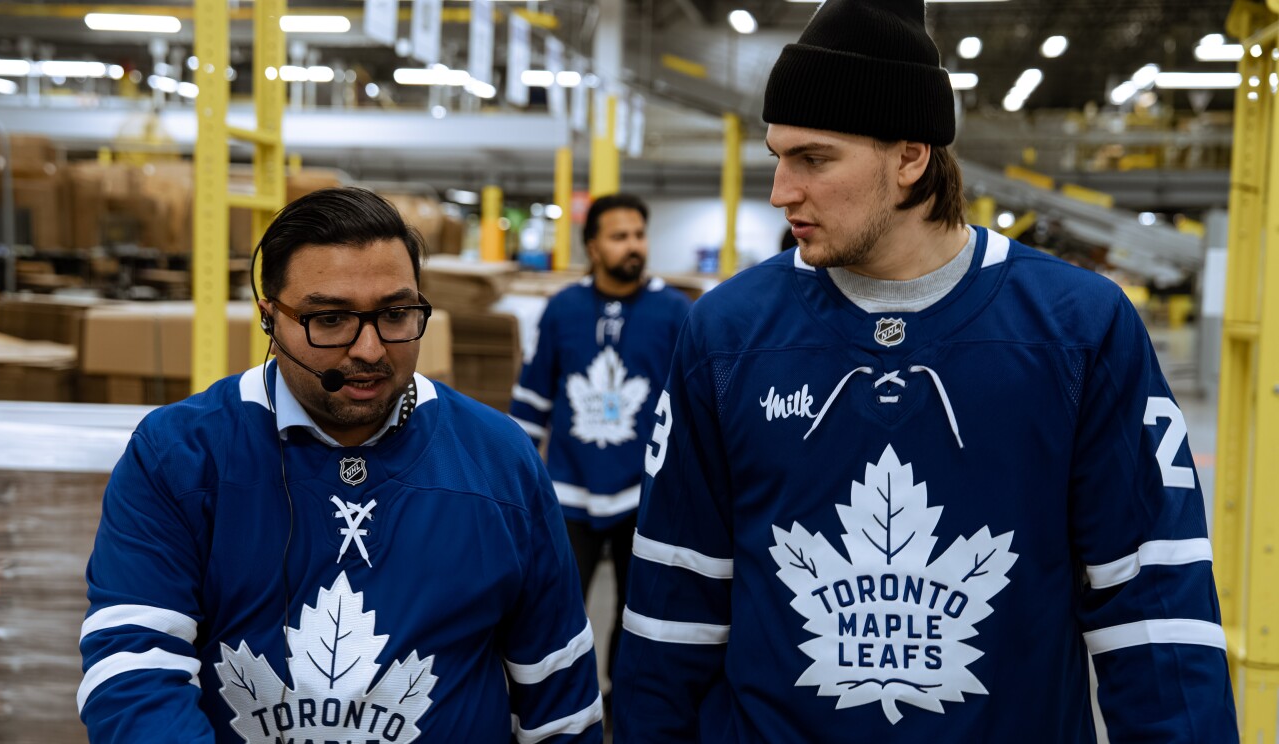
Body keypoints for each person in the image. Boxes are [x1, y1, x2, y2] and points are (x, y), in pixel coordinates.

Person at [611, 1, 1238, 742]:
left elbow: (1155, 612)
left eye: (813, 159)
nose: (781, 191)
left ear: (911, 158)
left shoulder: (1077, 330)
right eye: (777, 156)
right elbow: (671, 612)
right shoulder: (726, 335)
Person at [78, 187, 603, 743]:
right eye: (330, 319)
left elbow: (558, 695)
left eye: (396, 313)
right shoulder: (180, 456)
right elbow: (133, 670)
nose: (371, 350)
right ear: (269, 320)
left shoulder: (499, 460)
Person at [510, 193, 692, 689]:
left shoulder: (676, 312)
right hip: (568, 495)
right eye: (619, 236)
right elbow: (531, 402)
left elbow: (690, 410)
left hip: (644, 495)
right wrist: (514, 485)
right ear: (593, 246)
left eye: (638, 234)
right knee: (554, 611)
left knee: (640, 617)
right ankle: (560, 704)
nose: (633, 245)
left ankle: (623, 705)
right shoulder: (562, 309)